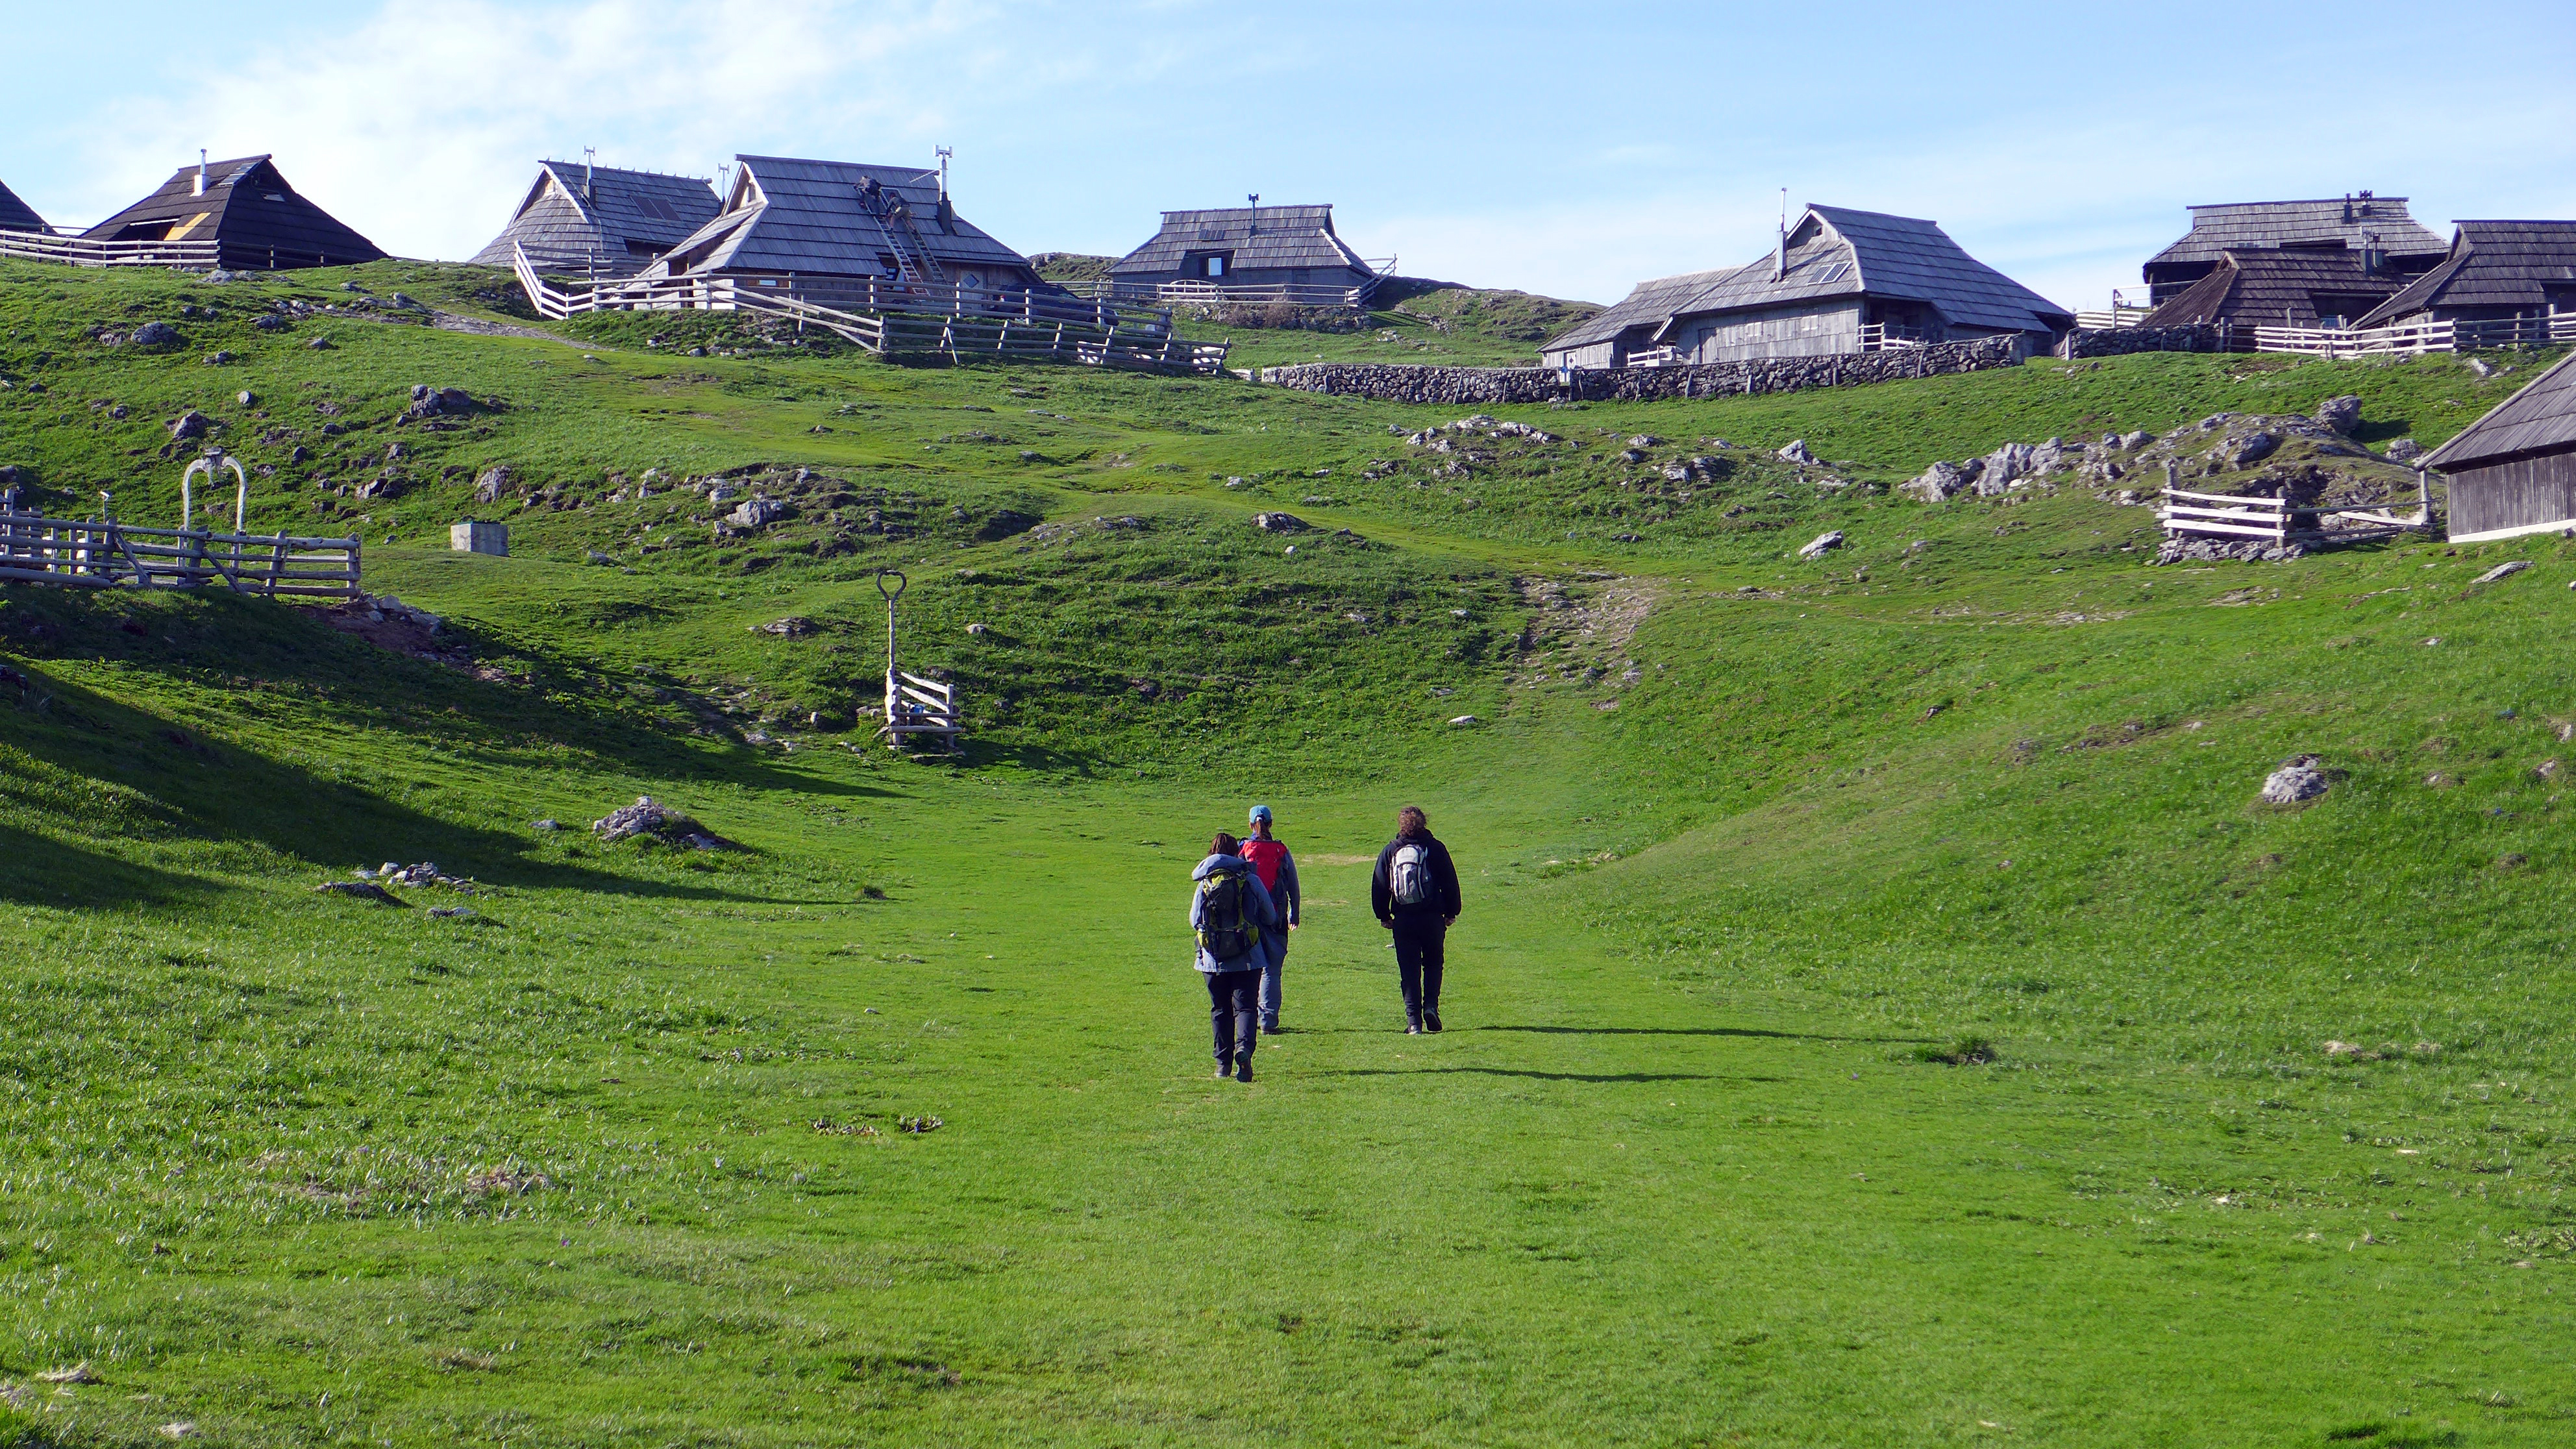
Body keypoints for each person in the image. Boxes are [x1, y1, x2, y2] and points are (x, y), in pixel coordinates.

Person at [1191, 831, 1277, 1082]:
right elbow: (1270, 915)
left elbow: (1194, 920)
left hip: (1213, 959)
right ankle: (1244, 1050)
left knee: (1220, 1009)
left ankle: (1222, 1065)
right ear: (1236, 852)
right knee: (1246, 1006)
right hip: (1248, 955)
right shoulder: (1249, 879)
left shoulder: (1205, 882)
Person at [1370, 806, 1461, 1034]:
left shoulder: (1391, 850)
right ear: (1424, 823)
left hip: (1404, 920)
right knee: (1433, 964)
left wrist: (1384, 915)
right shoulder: (1435, 848)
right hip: (1432, 919)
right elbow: (1450, 882)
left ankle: (1413, 1022)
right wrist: (1452, 912)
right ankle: (1431, 1006)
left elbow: (1379, 885)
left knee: (1409, 970)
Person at [1237, 804, 1301, 1034]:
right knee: (1272, 972)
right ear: (1271, 823)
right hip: (1276, 917)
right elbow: (1293, 884)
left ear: (1250, 824)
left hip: (1248, 919)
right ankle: (1268, 1021)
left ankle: (1246, 1018)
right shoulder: (1281, 850)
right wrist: (1295, 912)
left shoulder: (1243, 850)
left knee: (1248, 972)